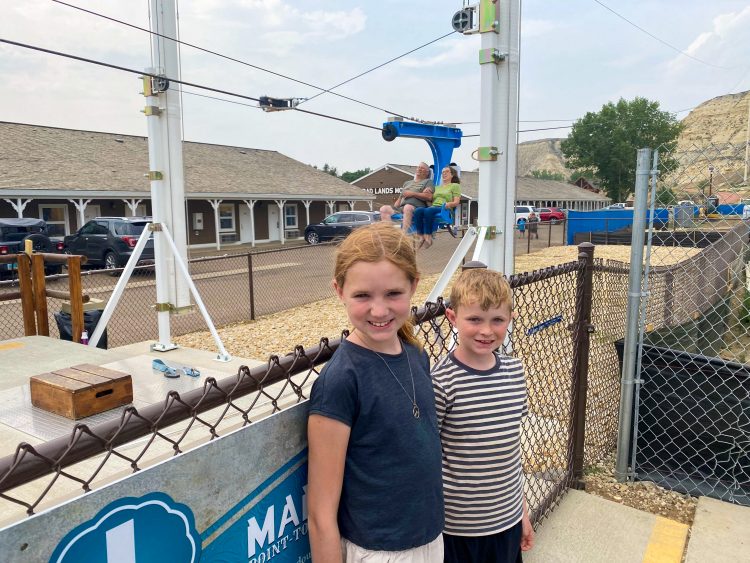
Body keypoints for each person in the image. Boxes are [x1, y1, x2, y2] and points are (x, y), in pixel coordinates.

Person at [307, 222, 444, 563]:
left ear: (414, 286)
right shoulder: (341, 379)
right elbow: (321, 515)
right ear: (339, 291)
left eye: (393, 294)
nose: (379, 311)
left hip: (429, 537)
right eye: (363, 296)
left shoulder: (416, 355)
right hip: (378, 550)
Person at [432, 268, 534, 563]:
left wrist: (523, 514)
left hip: (507, 522)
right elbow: (429, 456)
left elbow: (510, 454)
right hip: (456, 530)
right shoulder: (441, 382)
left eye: (497, 320)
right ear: (453, 318)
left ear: (510, 320)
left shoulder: (515, 372)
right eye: (474, 319)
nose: (486, 331)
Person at [412, 166, 462, 249]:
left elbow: (456, 202)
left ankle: (428, 236)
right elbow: (430, 200)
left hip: (445, 209)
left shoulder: (455, 186)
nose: (444, 174)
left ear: (452, 174)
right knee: (418, 211)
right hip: (434, 207)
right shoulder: (437, 187)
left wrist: (448, 204)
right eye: (442, 172)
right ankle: (420, 235)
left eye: (446, 172)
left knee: (429, 211)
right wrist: (427, 192)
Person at [379, 162, 434, 234]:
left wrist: (412, 194)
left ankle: (403, 236)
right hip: (402, 207)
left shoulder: (428, 182)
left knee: (407, 207)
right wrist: (395, 207)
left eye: (422, 168)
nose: (419, 169)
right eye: (418, 167)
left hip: (416, 208)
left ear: (427, 173)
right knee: (384, 209)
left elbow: (429, 197)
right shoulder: (407, 183)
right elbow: (400, 198)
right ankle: (389, 235)